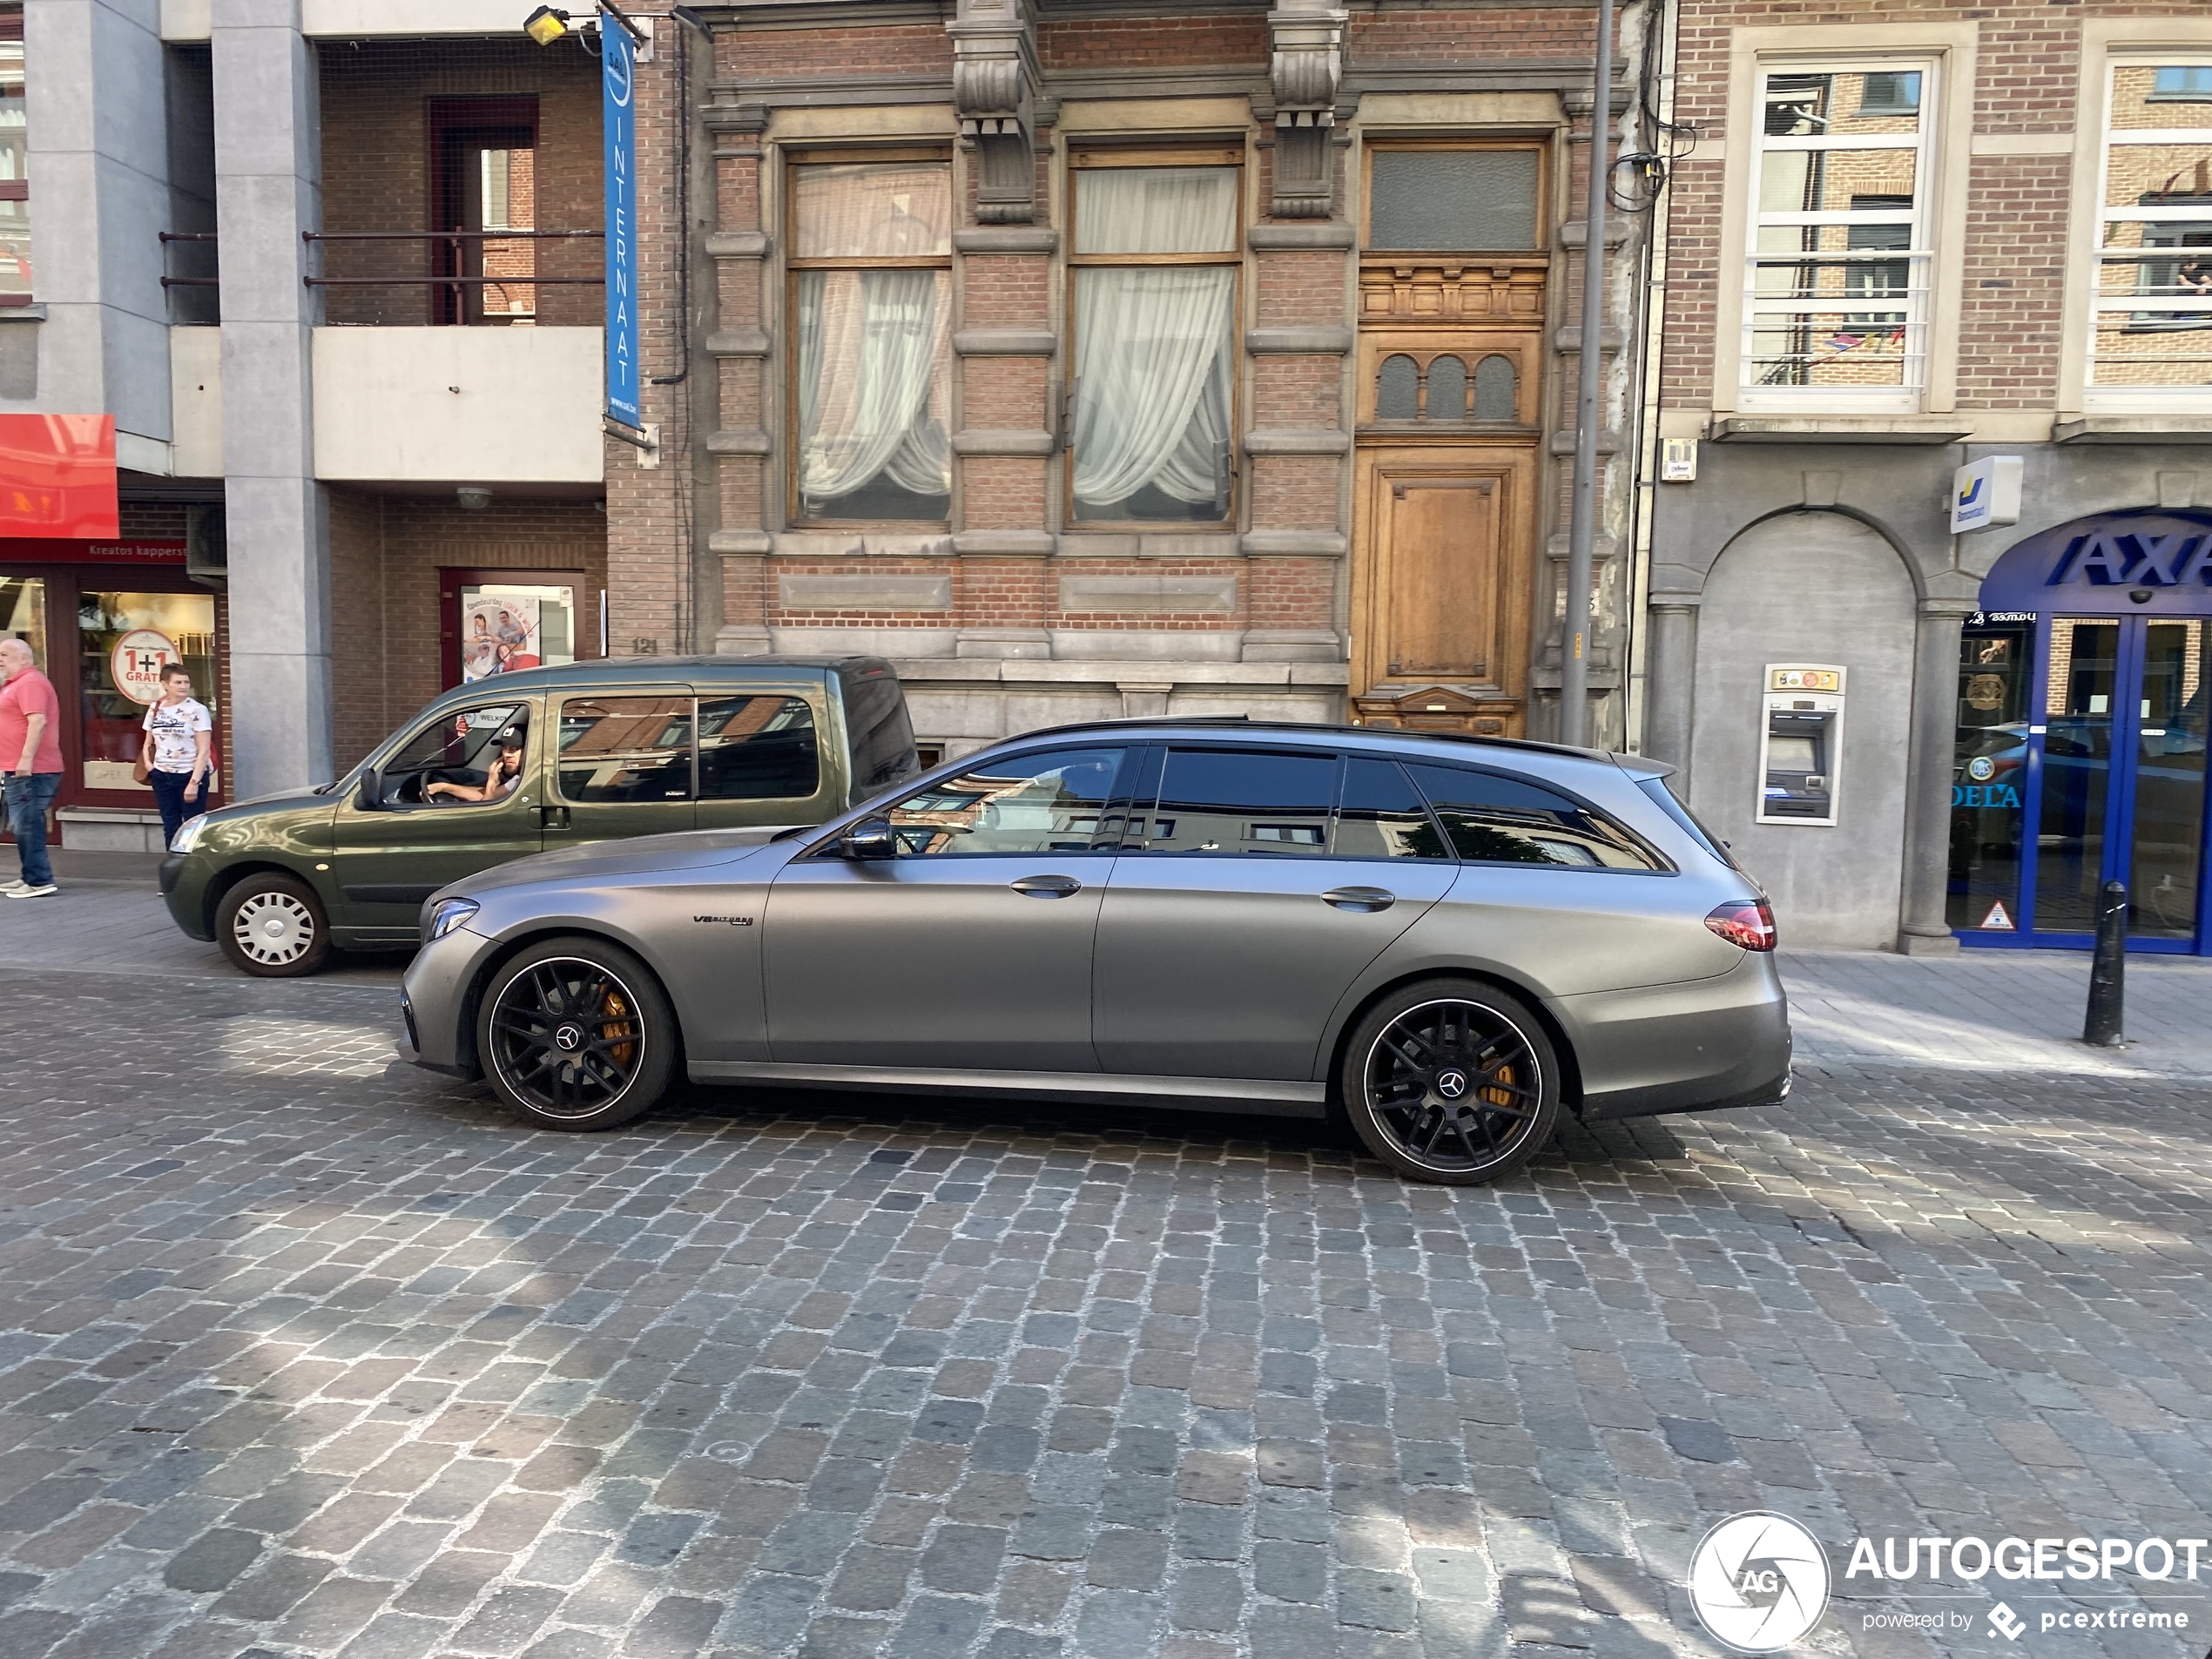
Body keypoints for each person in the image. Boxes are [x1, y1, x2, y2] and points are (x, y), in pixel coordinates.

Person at [0, 636, 64, 899]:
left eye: (5, 654)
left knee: (26, 824)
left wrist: (25, 760)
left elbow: (38, 722)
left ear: (24, 658)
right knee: (23, 823)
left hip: (32, 769)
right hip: (18, 767)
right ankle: (30, 875)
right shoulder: (14, 684)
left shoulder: (30, 682)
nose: (0, 659)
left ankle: (39, 880)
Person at [140, 663, 214, 847]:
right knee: (170, 824)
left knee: (192, 826)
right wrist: (150, 765)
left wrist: (194, 783)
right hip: (162, 774)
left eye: (186, 682)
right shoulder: (156, 707)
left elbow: (204, 749)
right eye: (178, 682)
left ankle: (192, 866)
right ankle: (174, 864)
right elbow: (148, 740)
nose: (183, 686)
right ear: (165, 684)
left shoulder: (198, 710)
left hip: (189, 774)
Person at [425, 732, 524, 804]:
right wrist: (444, 787)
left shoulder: (526, 779)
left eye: (515, 748)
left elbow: (485, 810)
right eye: (504, 747)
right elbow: (483, 796)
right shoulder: (518, 779)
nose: (507, 754)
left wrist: (492, 783)